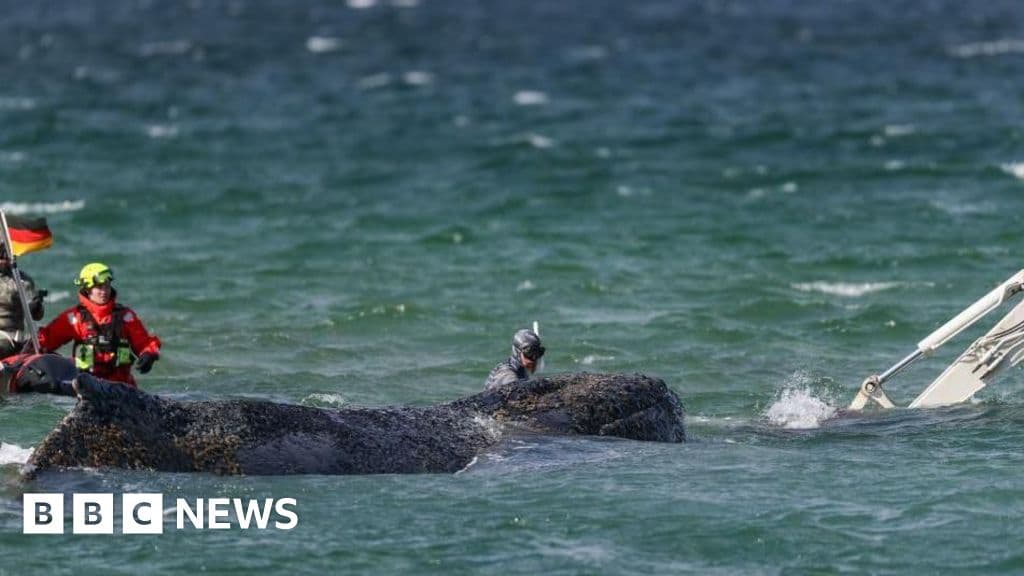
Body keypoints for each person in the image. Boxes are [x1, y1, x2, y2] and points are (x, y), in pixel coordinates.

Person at [38, 262, 161, 387]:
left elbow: (144, 342)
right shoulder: (75, 318)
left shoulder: (125, 316)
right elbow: (46, 341)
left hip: (122, 386)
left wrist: (148, 354)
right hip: (88, 385)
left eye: (107, 286)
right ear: (87, 289)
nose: (104, 291)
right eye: (99, 287)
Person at [0, 244, 45, 359]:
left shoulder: (22, 281)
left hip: (8, 338)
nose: (3, 258)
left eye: (6, 253)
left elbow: (37, 316)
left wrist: (36, 306)